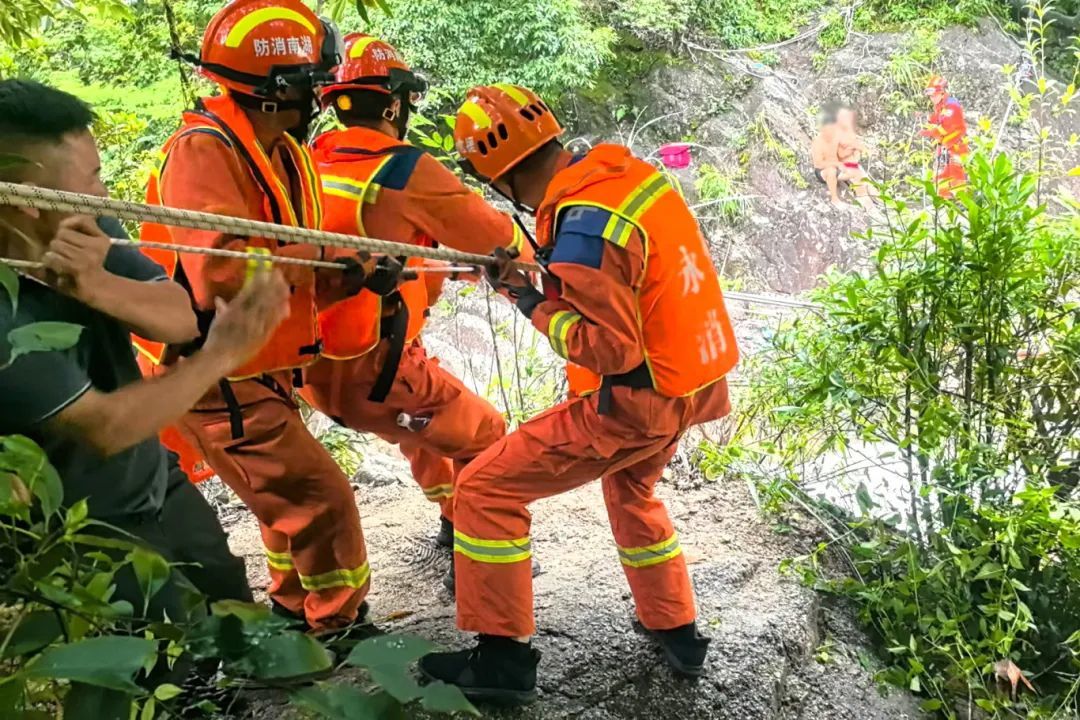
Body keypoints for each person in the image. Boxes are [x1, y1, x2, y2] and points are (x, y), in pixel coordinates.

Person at [419, 84, 741, 704]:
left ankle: (502, 662)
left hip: (634, 404)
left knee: (483, 488)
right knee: (631, 488)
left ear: (497, 174)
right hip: (690, 386)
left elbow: (607, 349)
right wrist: (536, 284)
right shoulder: (626, 179)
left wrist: (528, 300)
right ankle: (676, 629)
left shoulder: (582, 229)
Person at [133, 0, 384, 633]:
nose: (320, 97)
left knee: (289, 500)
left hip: (258, 359)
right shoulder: (203, 151)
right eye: (313, 83)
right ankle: (339, 625)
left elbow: (292, 261)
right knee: (321, 497)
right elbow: (221, 272)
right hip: (213, 366)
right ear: (278, 89)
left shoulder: (280, 152)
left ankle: (295, 609)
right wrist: (326, 259)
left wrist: (350, 274)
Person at [0, 78, 290, 621]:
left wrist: (96, 286)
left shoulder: (81, 224)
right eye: (93, 179)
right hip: (80, 534)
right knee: (161, 652)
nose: (105, 194)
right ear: (28, 201)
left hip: (155, 482)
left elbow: (179, 316)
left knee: (232, 606)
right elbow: (105, 427)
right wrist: (223, 353)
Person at [299, 34, 516, 568]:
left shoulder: (306, 160)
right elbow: (497, 238)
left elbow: (374, 246)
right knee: (488, 435)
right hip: (377, 374)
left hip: (310, 367)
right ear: (394, 105)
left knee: (426, 432)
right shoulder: (403, 169)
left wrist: (439, 261)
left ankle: (451, 519)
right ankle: (478, 560)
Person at [811, 105, 878, 211]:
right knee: (831, 170)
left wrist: (860, 151)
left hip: (837, 166)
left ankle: (863, 196)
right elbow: (819, 164)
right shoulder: (818, 142)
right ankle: (835, 200)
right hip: (824, 171)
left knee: (855, 169)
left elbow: (847, 148)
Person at [921, 75, 969, 198]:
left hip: (956, 146)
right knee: (941, 174)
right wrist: (927, 117)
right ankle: (943, 199)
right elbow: (938, 118)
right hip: (945, 146)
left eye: (934, 95)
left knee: (956, 175)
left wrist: (928, 132)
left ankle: (961, 200)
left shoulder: (952, 106)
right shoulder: (940, 105)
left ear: (942, 93)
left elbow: (947, 127)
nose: (932, 98)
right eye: (930, 96)